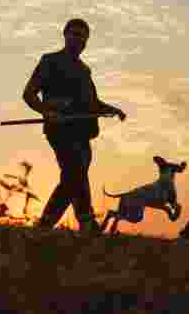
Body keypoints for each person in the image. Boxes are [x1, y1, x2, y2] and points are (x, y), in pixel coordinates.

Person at [22, 18, 126, 235]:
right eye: (74, 34)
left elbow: (93, 103)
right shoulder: (50, 61)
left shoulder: (84, 70)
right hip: (59, 130)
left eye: (82, 36)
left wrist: (112, 109)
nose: (78, 39)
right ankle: (66, 223)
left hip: (83, 132)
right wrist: (47, 112)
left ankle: (74, 224)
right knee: (74, 173)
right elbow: (29, 94)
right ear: (65, 35)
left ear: (87, 41)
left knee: (75, 176)